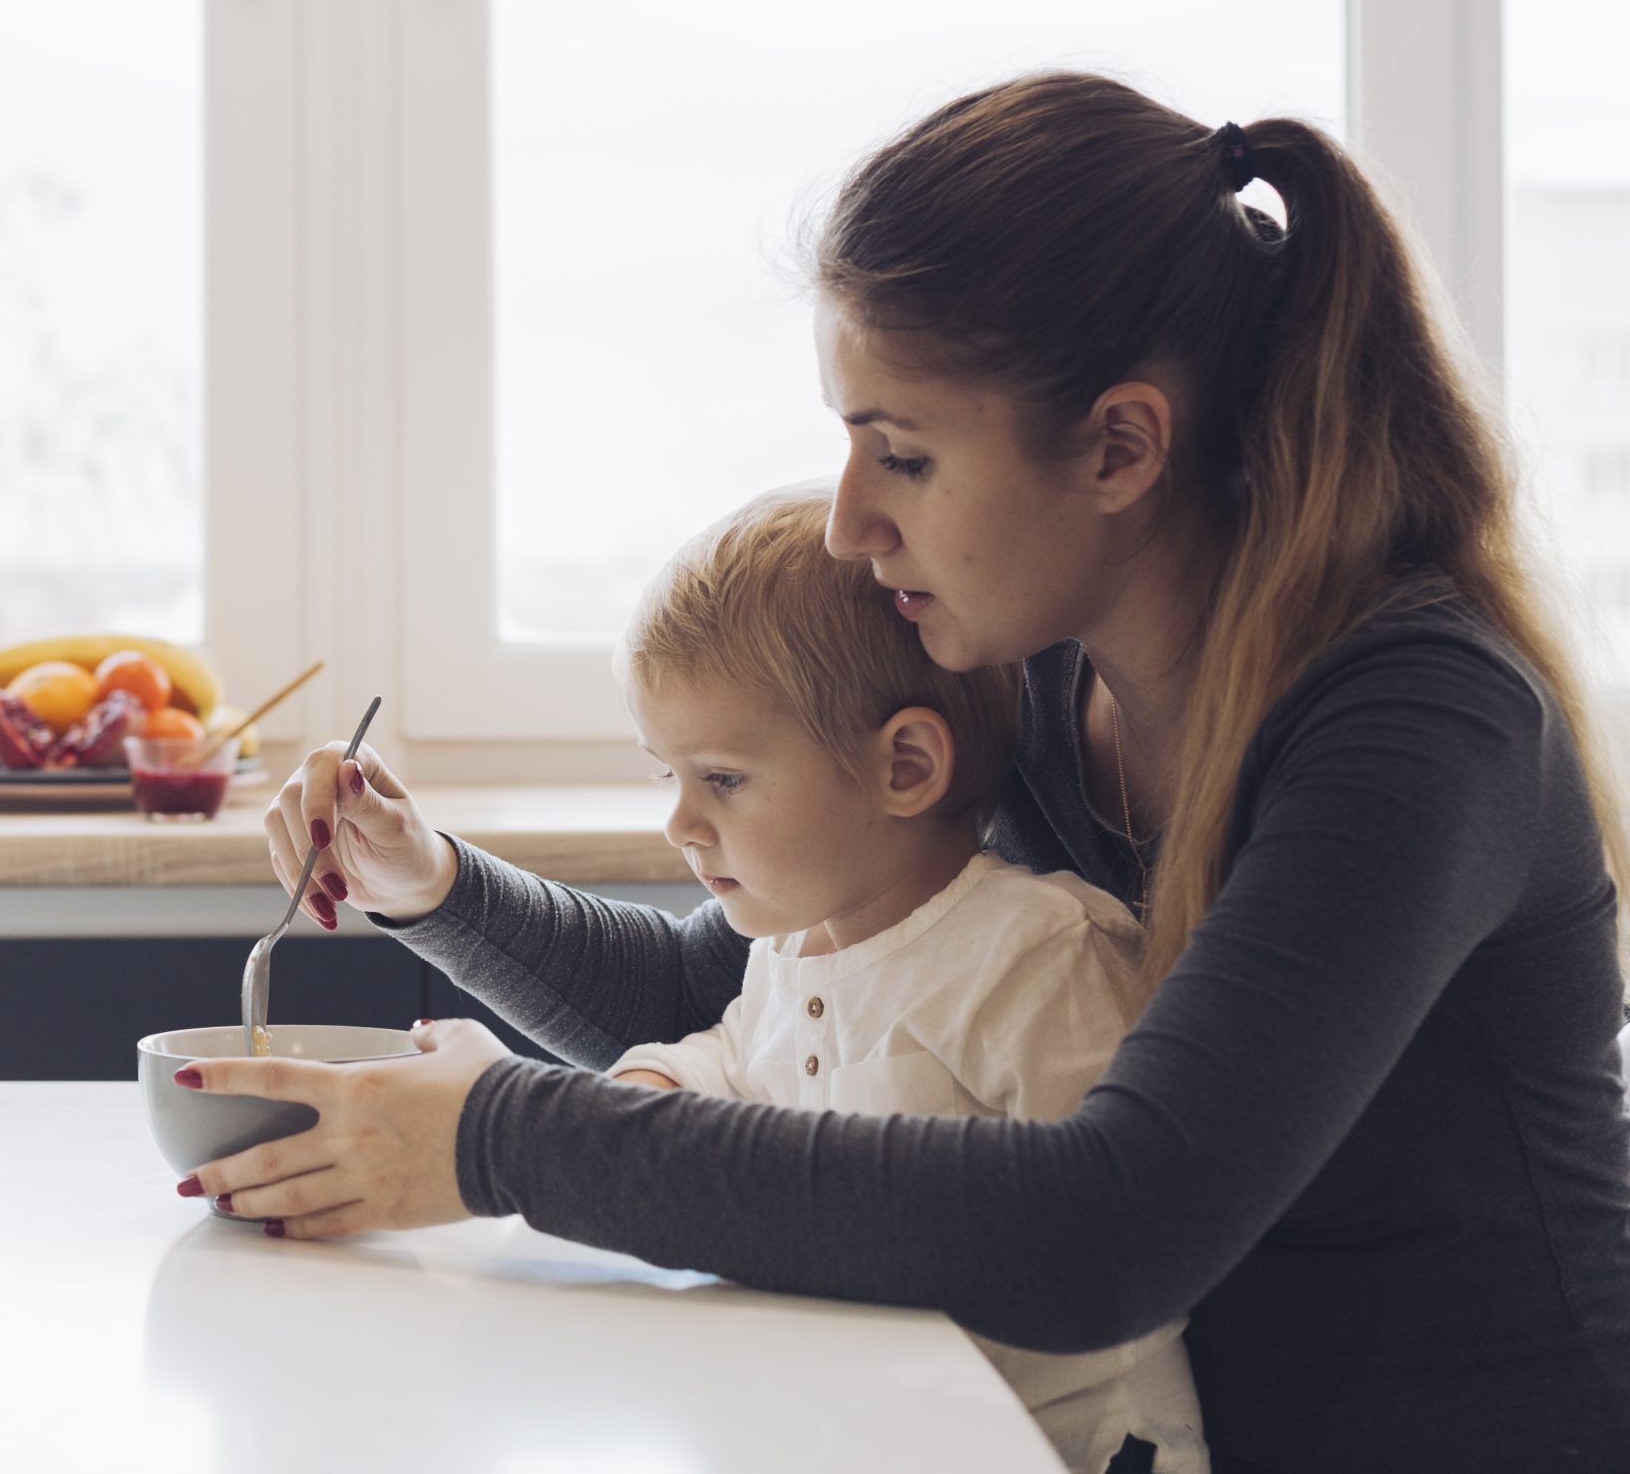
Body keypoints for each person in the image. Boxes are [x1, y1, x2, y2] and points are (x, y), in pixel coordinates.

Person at [174, 74, 1630, 1472]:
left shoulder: (1418, 725)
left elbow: (1108, 1225)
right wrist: (431, 889)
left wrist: (500, 1137)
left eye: (905, 454)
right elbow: (736, 995)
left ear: (1122, 444)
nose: (849, 522)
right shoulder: (1048, 685)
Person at [603, 489, 1206, 1472]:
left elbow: (1114, 1238)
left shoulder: (1035, 955)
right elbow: (738, 1059)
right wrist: (659, 1088)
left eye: (720, 778)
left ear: (907, 765)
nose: (680, 822)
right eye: (664, 775)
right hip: (869, 1428)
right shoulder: (787, 949)